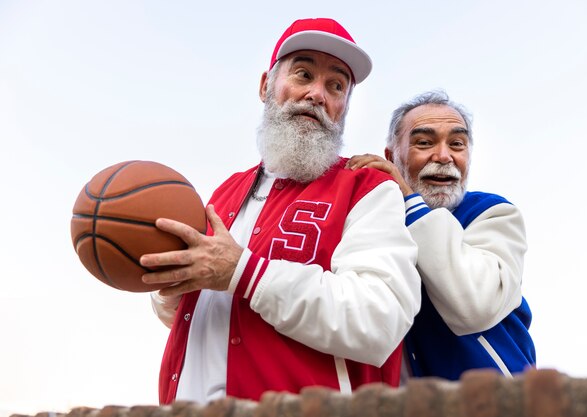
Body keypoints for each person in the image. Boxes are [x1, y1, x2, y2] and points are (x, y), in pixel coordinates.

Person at [141, 18, 421, 404]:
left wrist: (244, 271)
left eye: (336, 85)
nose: (317, 94)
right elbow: (200, 315)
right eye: (303, 74)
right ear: (264, 87)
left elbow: (378, 319)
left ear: (343, 107)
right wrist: (170, 290)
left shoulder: (367, 188)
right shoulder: (223, 193)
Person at [346, 90, 536, 381]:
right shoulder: (377, 226)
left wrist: (410, 201)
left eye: (457, 144)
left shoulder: (492, 213)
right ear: (391, 157)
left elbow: (473, 304)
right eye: (424, 142)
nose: (444, 156)